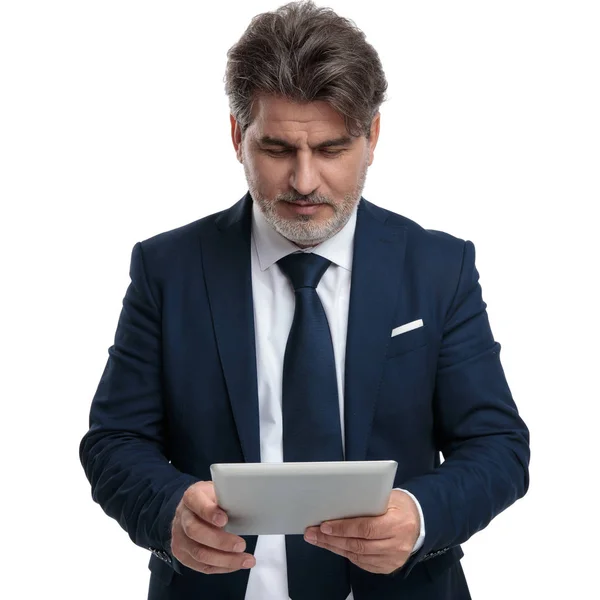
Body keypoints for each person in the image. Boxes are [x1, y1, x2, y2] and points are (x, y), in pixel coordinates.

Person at [79, 1, 530, 598]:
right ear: (238, 135)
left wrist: (419, 517)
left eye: (331, 149)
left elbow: (498, 445)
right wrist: (170, 513)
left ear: (372, 136)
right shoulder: (168, 269)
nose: (304, 181)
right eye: (277, 150)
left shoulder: (439, 267)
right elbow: (114, 440)